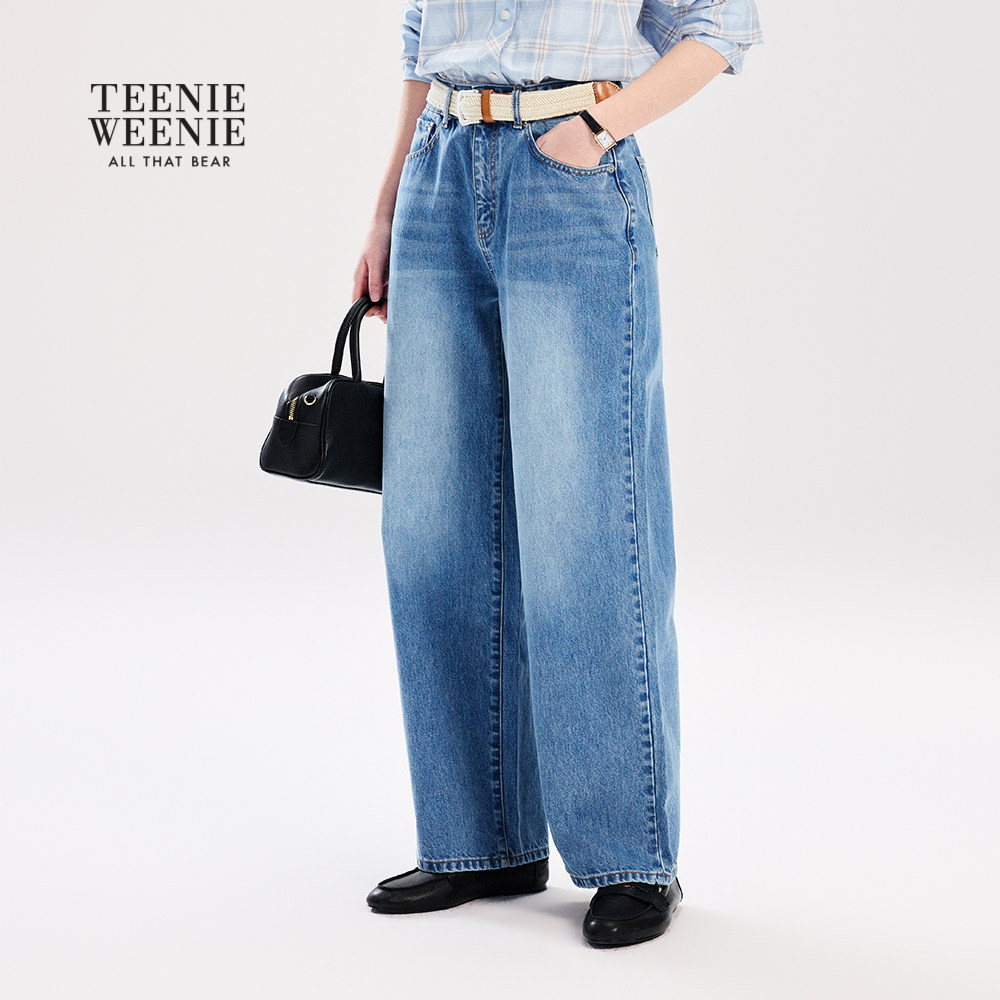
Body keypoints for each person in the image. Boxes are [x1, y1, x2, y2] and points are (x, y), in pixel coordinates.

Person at [353, 0, 764, 949]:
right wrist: (386, 206)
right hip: (437, 176)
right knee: (433, 529)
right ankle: (480, 841)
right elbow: (421, 37)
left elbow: (720, 25)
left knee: (586, 526)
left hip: (569, 178)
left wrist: (598, 128)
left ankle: (630, 857)